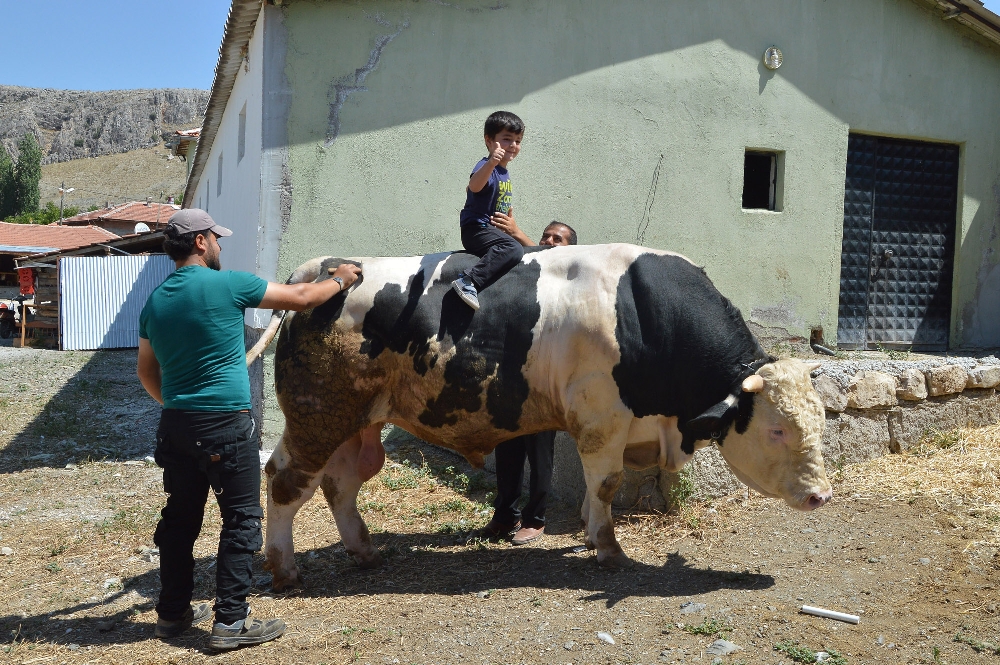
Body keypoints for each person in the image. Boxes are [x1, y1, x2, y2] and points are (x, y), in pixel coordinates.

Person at [137, 209, 361, 651]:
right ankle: (231, 624)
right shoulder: (228, 284)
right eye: (216, 239)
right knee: (240, 522)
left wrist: (180, 406)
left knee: (180, 521)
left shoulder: (156, 301)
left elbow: (146, 372)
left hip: (176, 426)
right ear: (200, 242)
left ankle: (172, 614)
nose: (221, 245)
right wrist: (341, 278)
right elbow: (302, 296)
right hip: (224, 425)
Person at [469, 217, 578, 545]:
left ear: (572, 249)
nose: (548, 241)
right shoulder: (528, 267)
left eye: (557, 238)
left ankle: (535, 519)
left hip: (544, 379)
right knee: (507, 448)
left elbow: (548, 260)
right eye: (546, 235)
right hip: (511, 375)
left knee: (539, 450)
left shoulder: (570, 275)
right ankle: (504, 516)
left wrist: (517, 233)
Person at [450, 110, 526, 311]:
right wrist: (492, 162)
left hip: (489, 230)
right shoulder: (486, 164)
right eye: (507, 139)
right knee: (513, 249)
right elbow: (474, 185)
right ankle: (469, 281)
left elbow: (473, 191)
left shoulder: (502, 171)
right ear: (489, 140)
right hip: (476, 229)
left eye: (518, 141)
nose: (513, 145)